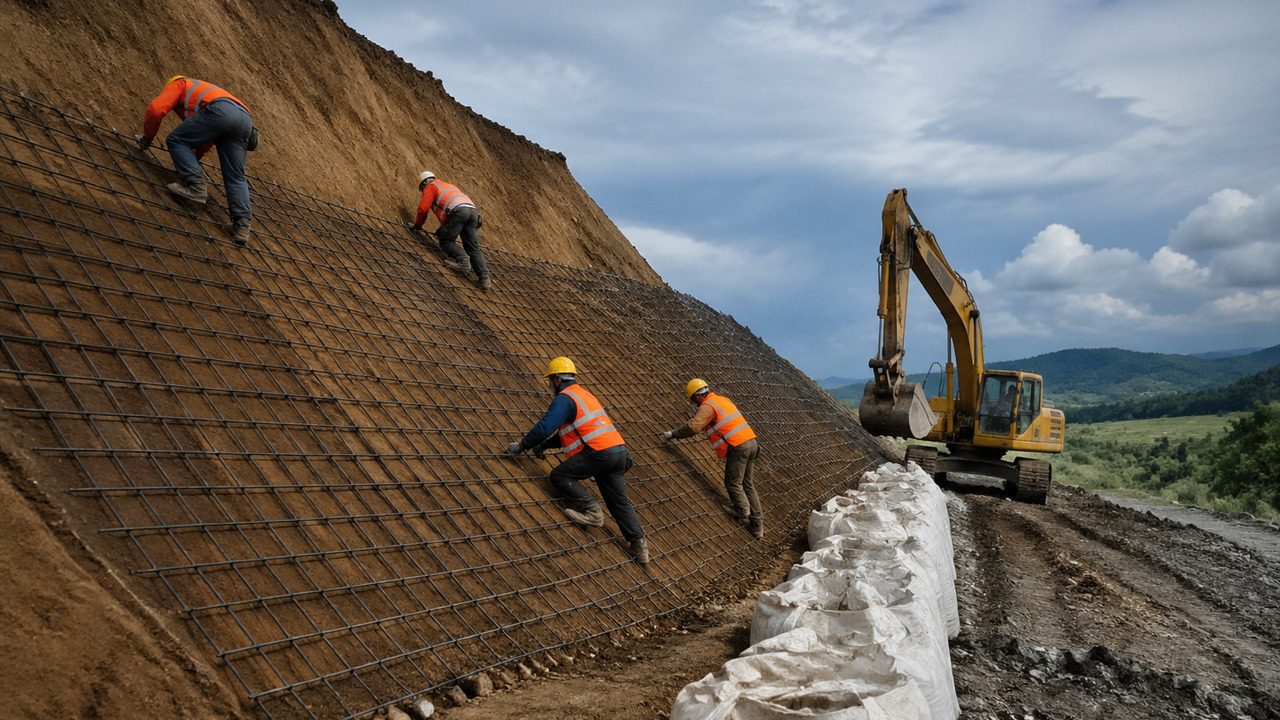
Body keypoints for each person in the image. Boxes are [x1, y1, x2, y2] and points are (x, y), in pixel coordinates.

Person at [506, 357, 649, 564]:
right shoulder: (585, 395)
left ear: (556, 380)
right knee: (618, 501)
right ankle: (640, 546)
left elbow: (546, 426)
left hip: (599, 452)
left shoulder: (565, 398)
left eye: (550, 381)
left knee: (560, 475)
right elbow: (570, 431)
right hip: (618, 452)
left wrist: (522, 446)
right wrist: (543, 446)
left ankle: (592, 511)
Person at [136, 75, 256, 245]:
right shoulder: (204, 94)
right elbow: (205, 141)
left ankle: (196, 188)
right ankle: (242, 226)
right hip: (245, 120)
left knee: (176, 140)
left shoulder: (179, 84)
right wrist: (188, 164)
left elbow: (156, 109)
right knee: (235, 175)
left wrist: (147, 138)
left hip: (223, 110)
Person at [661, 378, 763, 538]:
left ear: (697, 397)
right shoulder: (722, 400)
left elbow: (694, 427)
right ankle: (757, 526)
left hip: (739, 445)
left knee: (733, 481)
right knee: (747, 483)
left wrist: (674, 434)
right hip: (752, 442)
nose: (695, 404)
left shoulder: (708, 406)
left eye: (694, 400)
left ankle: (741, 510)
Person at [412, 171, 491, 291]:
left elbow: (423, 209)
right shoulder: (449, 186)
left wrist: (417, 225)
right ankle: (484, 279)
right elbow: (450, 208)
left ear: (423, 184)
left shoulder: (431, 187)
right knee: (472, 246)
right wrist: (442, 229)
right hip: (473, 213)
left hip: (459, 212)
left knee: (446, 240)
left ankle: (463, 260)